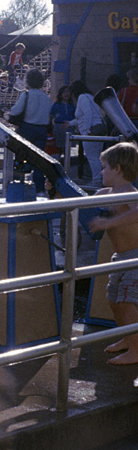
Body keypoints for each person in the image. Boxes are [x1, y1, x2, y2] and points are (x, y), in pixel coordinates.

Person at [89, 142, 138, 364]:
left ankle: (137, 350)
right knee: (114, 301)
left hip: (135, 258)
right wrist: (56, 191)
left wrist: (109, 222)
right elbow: (81, 203)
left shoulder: (129, 194)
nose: (101, 172)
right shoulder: (104, 193)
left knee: (127, 302)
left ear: (117, 168)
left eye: (105, 167)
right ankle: (129, 339)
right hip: (119, 258)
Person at [9, 68, 51, 192]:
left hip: (27, 128)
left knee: (20, 158)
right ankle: (39, 188)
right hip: (42, 130)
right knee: (39, 160)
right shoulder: (45, 97)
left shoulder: (26, 94)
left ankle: (18, 184)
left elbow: (16, 111)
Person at [64, 81, 106, 188]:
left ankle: (97, 180)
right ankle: (100, 178)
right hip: (98, 129)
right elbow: (83, 117)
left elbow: (87, 115)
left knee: (92, 157)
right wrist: (70, 123)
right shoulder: (90, 97)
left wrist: (87, 131)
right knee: (97, 157)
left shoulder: (82, 98)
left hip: (91, 132)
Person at [50, 85, 76, 155]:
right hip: (59, 127)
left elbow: (75, 117)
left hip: (69, 127)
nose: (66, 94)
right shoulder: (56, 105)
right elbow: (51, 116)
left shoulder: (72, 105)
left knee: (67, 148)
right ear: (60, 94)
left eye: (68, 92)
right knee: (58, 148)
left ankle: (66, 163)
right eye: (64, 92)